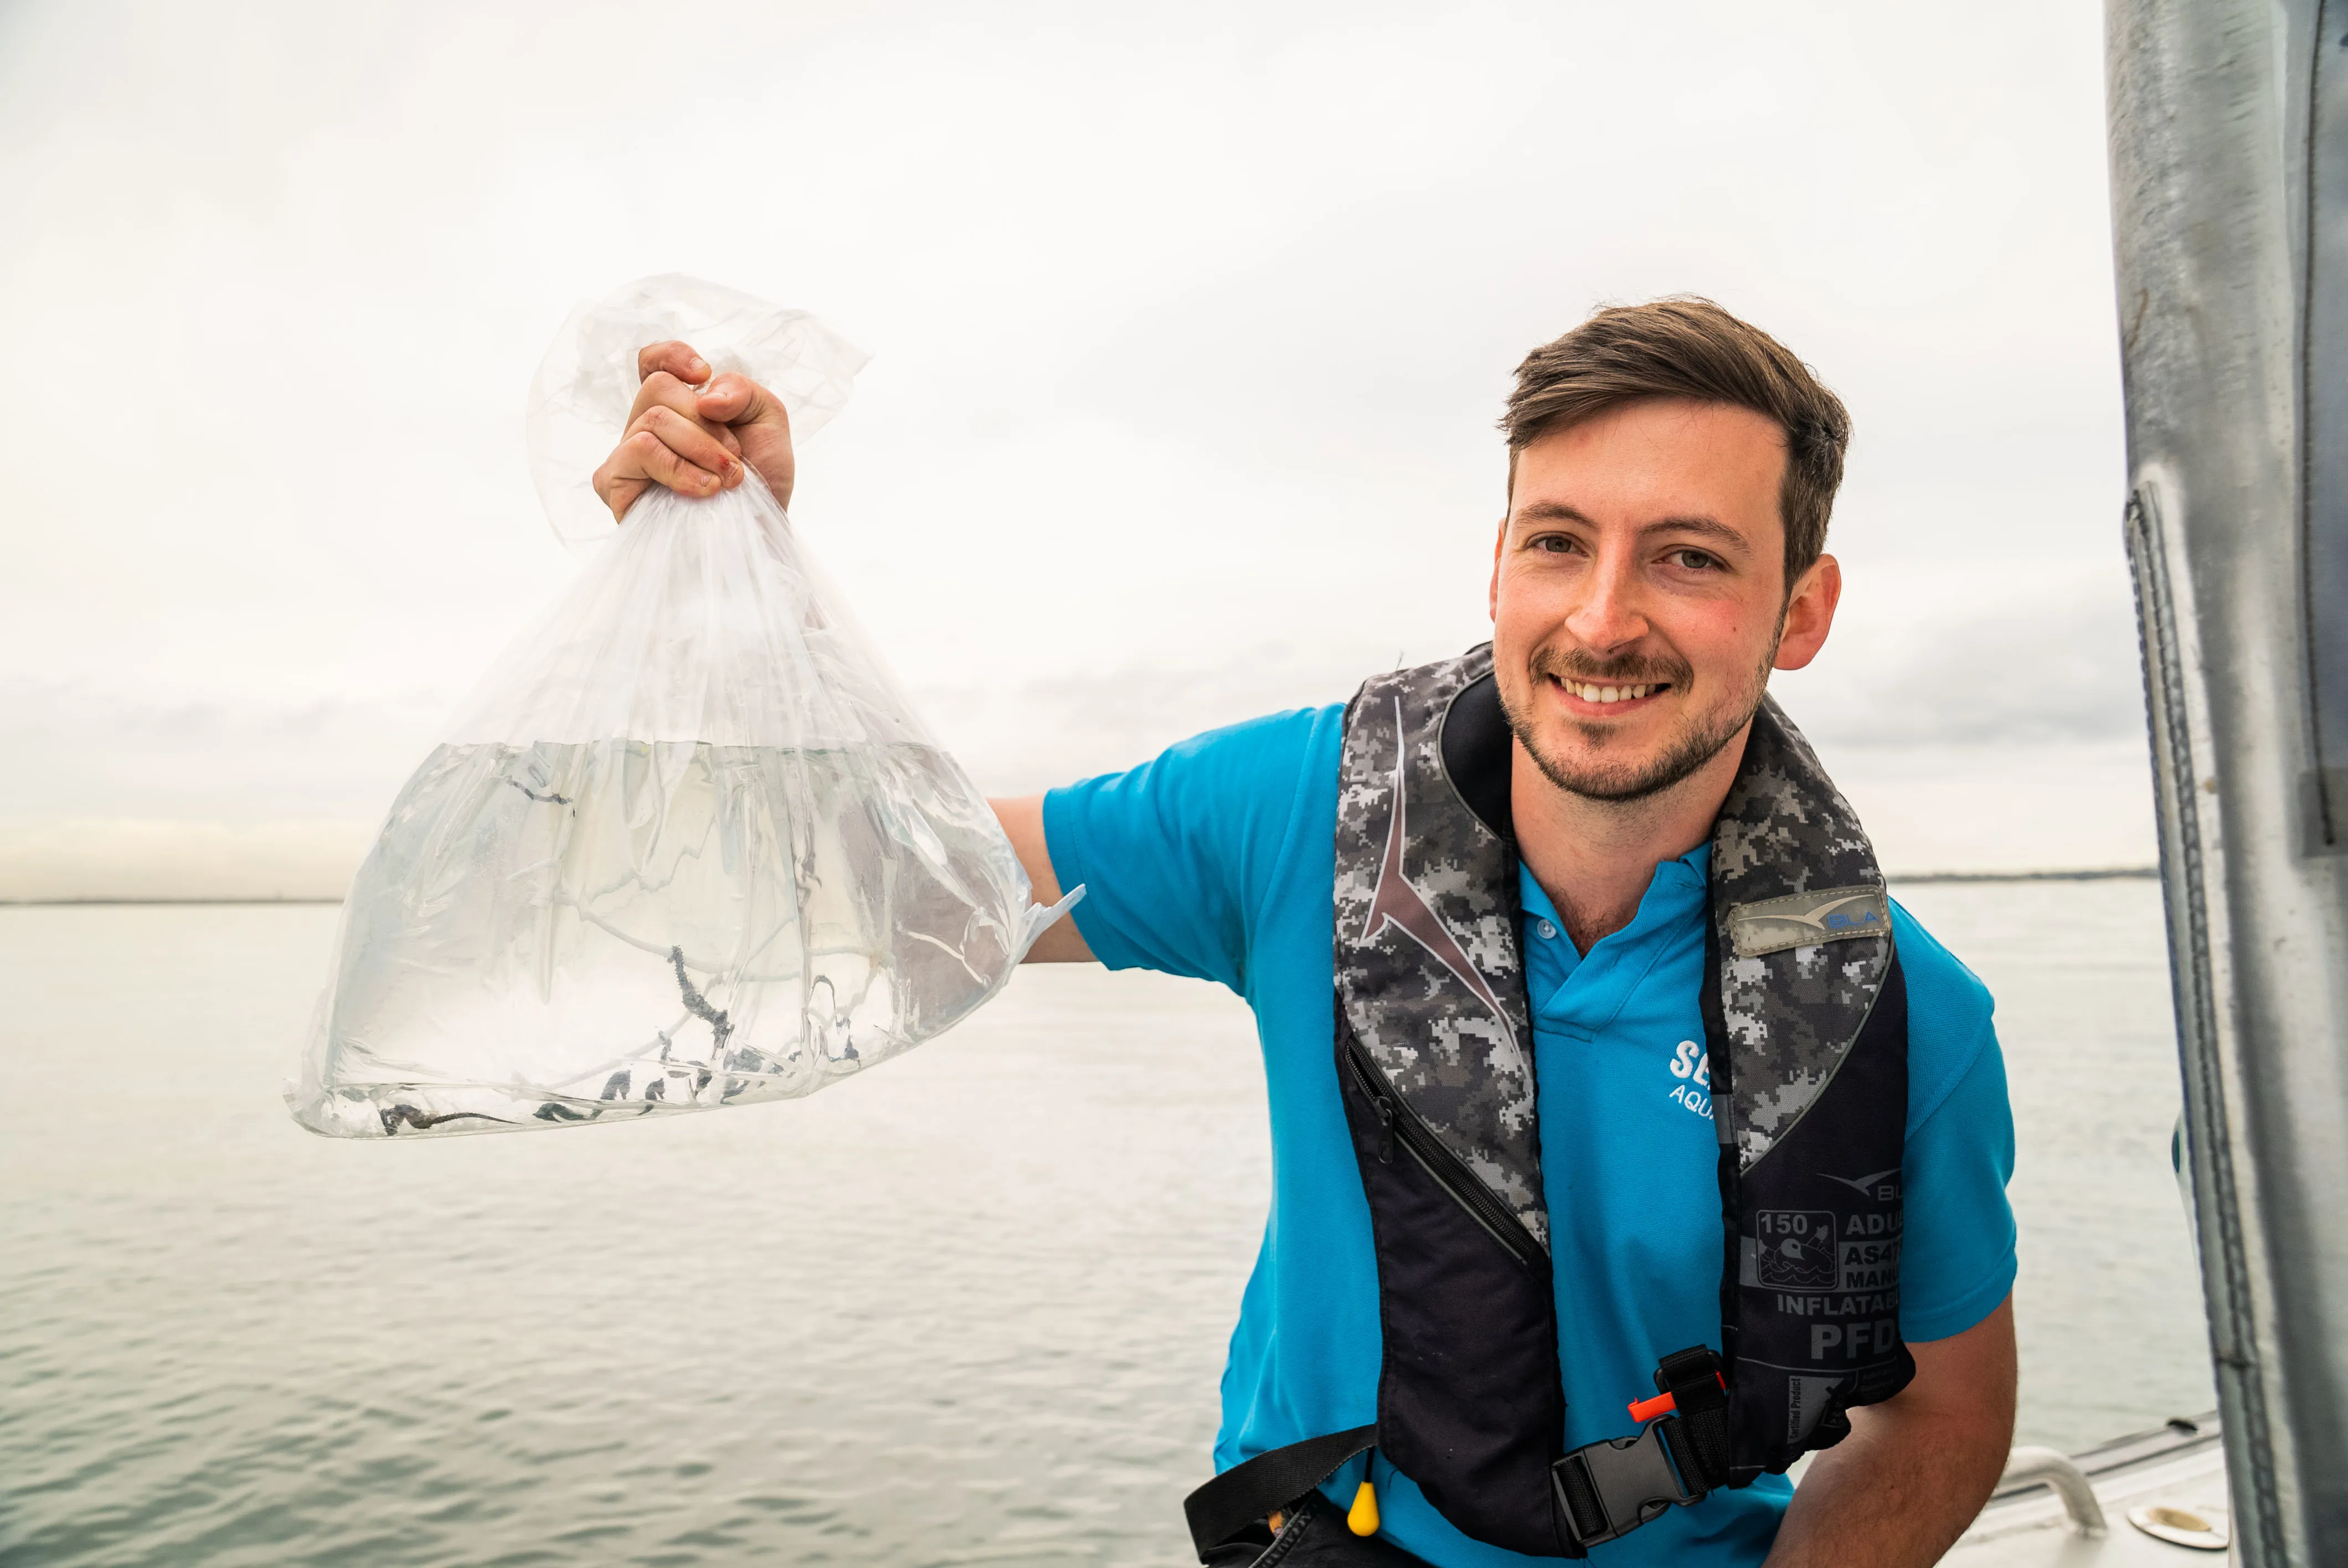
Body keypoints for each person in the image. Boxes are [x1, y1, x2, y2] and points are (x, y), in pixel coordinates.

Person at [593, 298, 2019, 1568]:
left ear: (1800, 611)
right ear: (1494, 573)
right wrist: (740, 574)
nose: (1601, 618)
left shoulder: (1907, 1021)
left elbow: (1942, 1415)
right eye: (1557, 542)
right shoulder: (1301, 814)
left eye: (1688, 558)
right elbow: (907, 880)